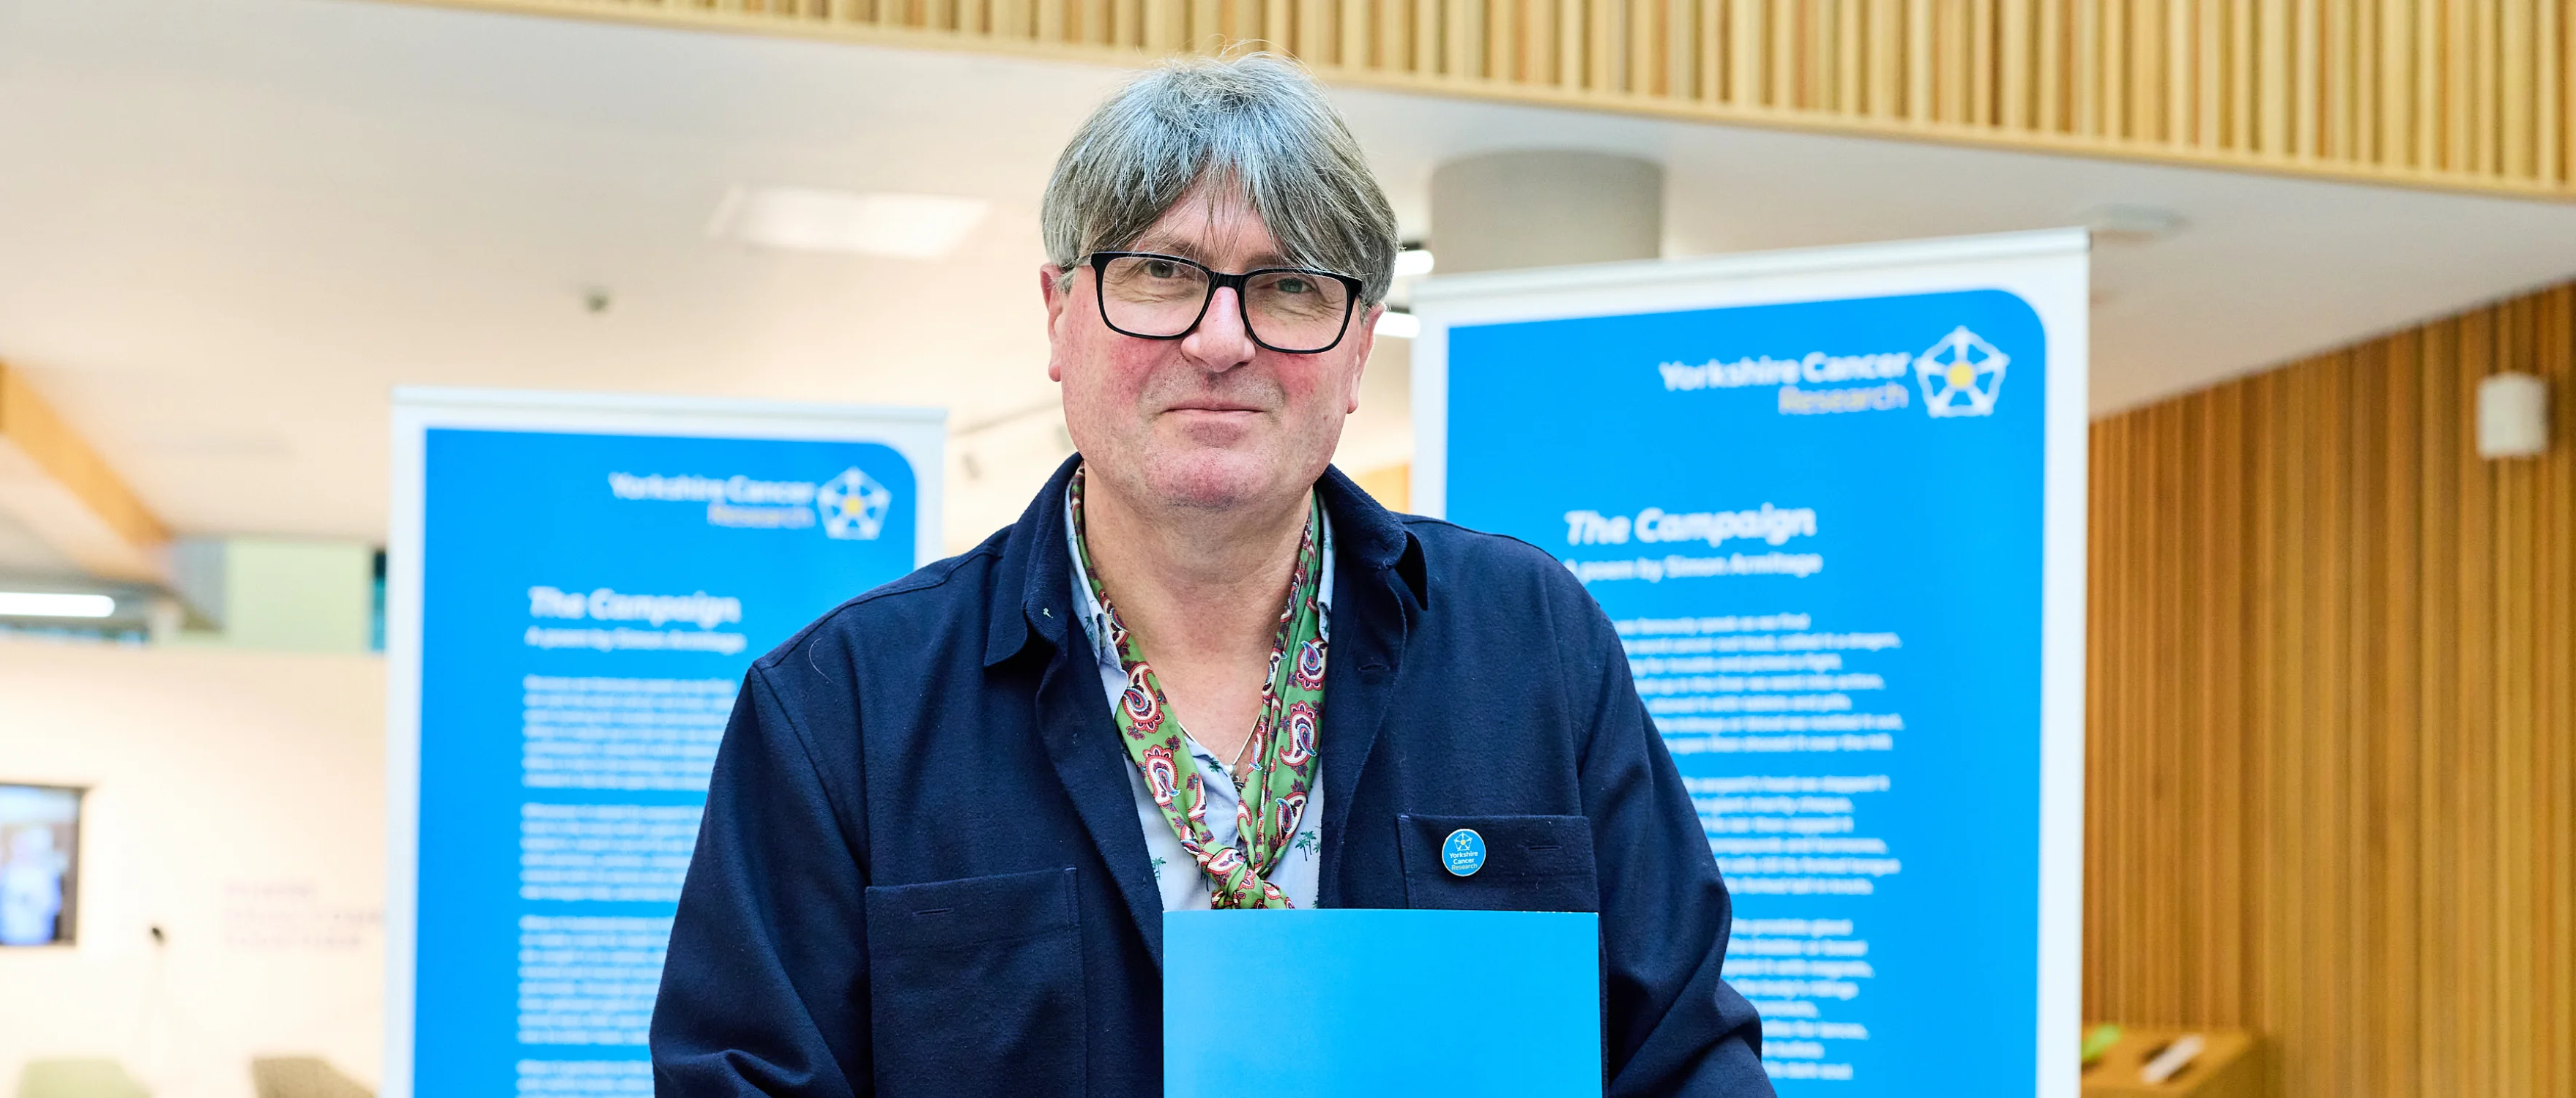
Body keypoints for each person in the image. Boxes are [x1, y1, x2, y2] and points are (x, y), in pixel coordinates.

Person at [651, 53, 1770, 1097]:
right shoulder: (843, 709)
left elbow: (1686, 1056)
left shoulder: (1530, 647)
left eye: (1288, 287)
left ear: (1360, 344)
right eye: (1160, 272)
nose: (1223, 340)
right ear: (1058, 314)